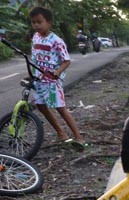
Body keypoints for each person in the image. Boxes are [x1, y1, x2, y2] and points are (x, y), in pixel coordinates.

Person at [29, 7, 85, 148]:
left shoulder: (56, 41)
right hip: (39, 81)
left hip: (52, 82)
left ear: (49, 22)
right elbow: (34, 58)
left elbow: (66, 61)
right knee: (41, 106)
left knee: (59, 108)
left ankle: (79, 138)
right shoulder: (35, 37)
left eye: (39, 22)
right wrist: (31, 74)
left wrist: (57, 72)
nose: (36, 25)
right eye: (33, 22)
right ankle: (61, 134)